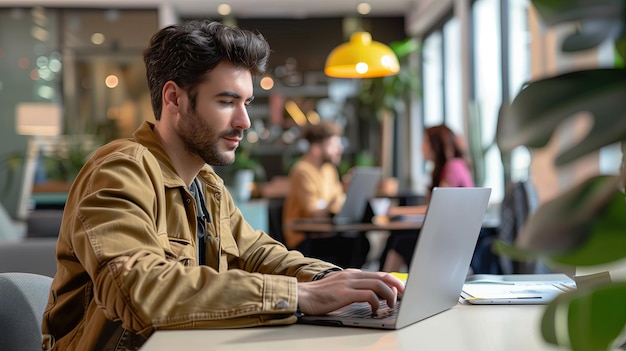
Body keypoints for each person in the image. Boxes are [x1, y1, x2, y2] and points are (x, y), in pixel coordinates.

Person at [41, 20, 404, 351]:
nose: (244, 121)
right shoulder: (120, 169)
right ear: (174, 99)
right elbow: (137, 291)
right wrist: (297, 295)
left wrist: (339, 281)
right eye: (227, 102)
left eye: (246, 102)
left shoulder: (206, 184)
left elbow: (259, 254)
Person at [381, 124, 474, 272]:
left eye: (425, 142)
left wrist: (395, 211)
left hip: (452, 242)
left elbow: (436, 208)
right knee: (399, 239)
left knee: (399, 242)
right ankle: (383, 285)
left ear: (436, 145)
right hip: (449, 236)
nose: (421, 148)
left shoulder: (453, 167)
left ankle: (383, 286)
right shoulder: (451, 167)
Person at [282, 121, 370, 268]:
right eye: (333, 146)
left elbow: (338, 201)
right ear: (316, 149)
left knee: (360, 242)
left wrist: (348, 194)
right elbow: (315, 213)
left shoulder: (329, 170)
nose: (339, 149)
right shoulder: (302, 171)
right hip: (303, 240)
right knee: (353, 245)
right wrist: (335, 202)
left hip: (327, 234)